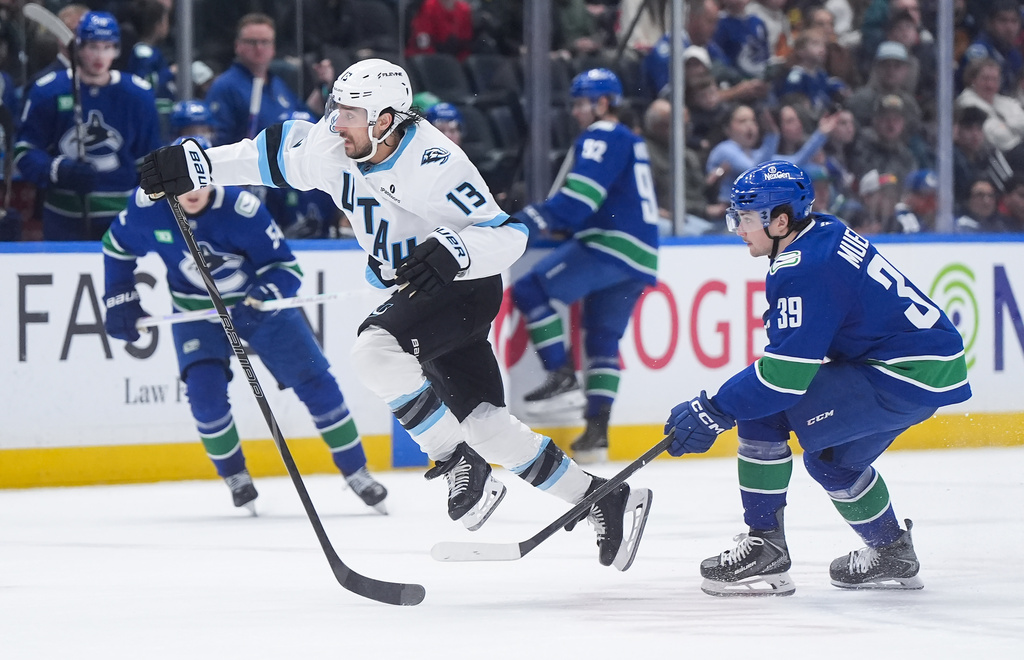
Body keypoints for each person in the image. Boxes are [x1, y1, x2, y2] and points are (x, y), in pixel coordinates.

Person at [137, 58, 654, 571]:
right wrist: (196, 165)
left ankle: (455, 461)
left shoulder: (434, 163)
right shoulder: (331, 144)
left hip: (462, 287)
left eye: (351, 113)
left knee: (375, 353)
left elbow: (509, 234)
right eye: (336, 108)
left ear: (386, 118)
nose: (337, 121)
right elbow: (266, 157)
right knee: (489, 426)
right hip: (419, 288)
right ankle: (605, 499)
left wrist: (454, 250)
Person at [663, 160, 971, 596]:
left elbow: (783, 381)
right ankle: (892, 551)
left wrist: (713, 410)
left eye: (747, 218)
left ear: (781, 220)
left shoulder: (802, 266)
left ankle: (765, 546)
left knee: (762, 412)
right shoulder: (821, 231)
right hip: (926, 370)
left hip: (899, 373)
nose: (737, 228)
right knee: (832, 462)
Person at [101, 144, 388, 514]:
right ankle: (235, 477)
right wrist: (120, 294)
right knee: (205, 397)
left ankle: (356, 471)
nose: (191, 192)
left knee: (316, 382)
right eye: (181, 184)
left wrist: (262, 295)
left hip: (256, 309)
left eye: (197, 182)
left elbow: (286, 269)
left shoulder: (242, 211)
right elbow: (116, 247)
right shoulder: (148, 210)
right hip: (196, 314)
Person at [509, 69, 659, 463]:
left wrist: (527, 219)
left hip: (610, 244)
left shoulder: (601, 135)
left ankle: (561, 377)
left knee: (530, 290)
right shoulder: (633, 140)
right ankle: (597, 431)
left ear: (604, 103)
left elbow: (578, 202)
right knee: (602, 339)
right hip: (641, 252)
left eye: (581, 103)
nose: (576, 112)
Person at [14, 10, 162, 240]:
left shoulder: (137, 95)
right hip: (64, 215)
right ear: (79, 48)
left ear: (117, 49)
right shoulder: (49, 90)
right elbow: (24, 151)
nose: (99, 55)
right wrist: (57, 169)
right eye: (93, 46)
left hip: (122, 217)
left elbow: (149, 161)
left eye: (107, 47)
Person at [204, 13, 325, 146]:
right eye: (252, 42)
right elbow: (218, 142)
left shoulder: (278, 85)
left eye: (265, 42)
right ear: (237, 45)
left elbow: (305, 117)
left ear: (273, 47)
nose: (259, 48)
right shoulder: (225, 87)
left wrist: (322, 85)